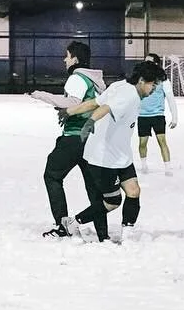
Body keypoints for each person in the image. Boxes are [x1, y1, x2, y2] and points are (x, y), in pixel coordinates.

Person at [75, 59, 164, 242]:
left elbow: (96, 102)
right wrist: (90, 122)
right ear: (141, 81)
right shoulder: (128, 96)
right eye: (152, 84)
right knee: (112, 202)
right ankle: (74, 222)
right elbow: (106, 107)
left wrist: (70, 111)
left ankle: (127, 236)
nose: (154, 89)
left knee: (134, 191)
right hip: (104, 158)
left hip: (121, 155)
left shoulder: (121, 85)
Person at [29, 39, 104, 237]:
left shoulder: (77, 77)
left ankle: (62, 224)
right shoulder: (94, 80)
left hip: (74, 137)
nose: (64, 60)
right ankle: (102, 232)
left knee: (52, 176)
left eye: (67, 56)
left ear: (75, 59)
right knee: (93, 187)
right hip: (92, 139)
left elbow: (72, 102)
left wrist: (41, 95)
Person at [136, 50, 178, 173]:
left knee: (162, 141)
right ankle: (144, 165)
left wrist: (175, 118)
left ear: (155, 64)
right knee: (142, 143)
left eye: (149, 62)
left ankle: (168, 167)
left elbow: (170, 98)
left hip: (157, 115)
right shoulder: (140, 79)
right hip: (142, 116)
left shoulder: (163, 80)